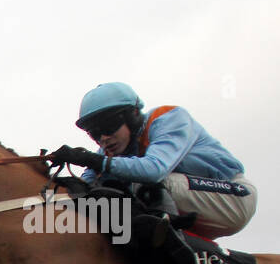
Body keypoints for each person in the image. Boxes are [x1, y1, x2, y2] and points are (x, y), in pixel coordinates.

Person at [50, 83, 257, 242]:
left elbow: (153, 170)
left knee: (140, 183)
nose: (103, 138)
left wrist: (91, 159)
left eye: (108, 126)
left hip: (234, 197)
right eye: (94, 133)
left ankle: (163, 243)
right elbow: (88, 185)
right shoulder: (112, 148)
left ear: (132, 116)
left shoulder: (169, 118)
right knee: (101, 194)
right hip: (195, 208)